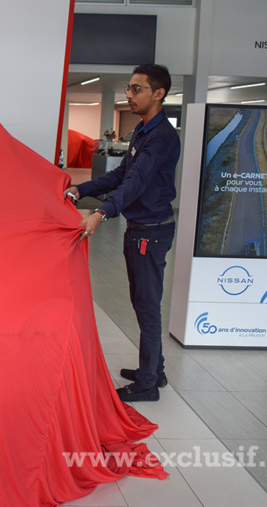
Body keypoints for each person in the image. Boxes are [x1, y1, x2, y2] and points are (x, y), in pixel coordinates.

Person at [64, 64, 180, 402]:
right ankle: (154, 371)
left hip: (150, 233)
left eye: (136, 89)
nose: (129, 95)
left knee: (147, 307)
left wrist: (102, 213)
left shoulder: (160, 137)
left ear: (158, 94)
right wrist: (81, 189)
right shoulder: (142, 131)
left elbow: (136, 182)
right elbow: (120, 176)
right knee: (142, 303)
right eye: (128, 88)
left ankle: (147, 384)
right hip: (141, 229)